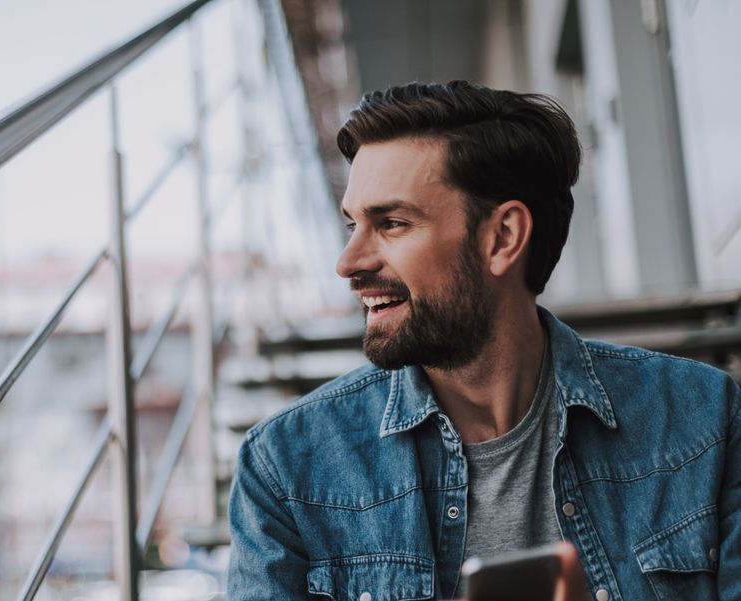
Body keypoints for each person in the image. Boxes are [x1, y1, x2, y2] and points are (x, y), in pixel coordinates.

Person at [226, 80, 741, 600]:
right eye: (352, 225)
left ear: (503, 238)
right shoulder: (287, 468)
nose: (348, 263)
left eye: (392, 223)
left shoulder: (704, 423)